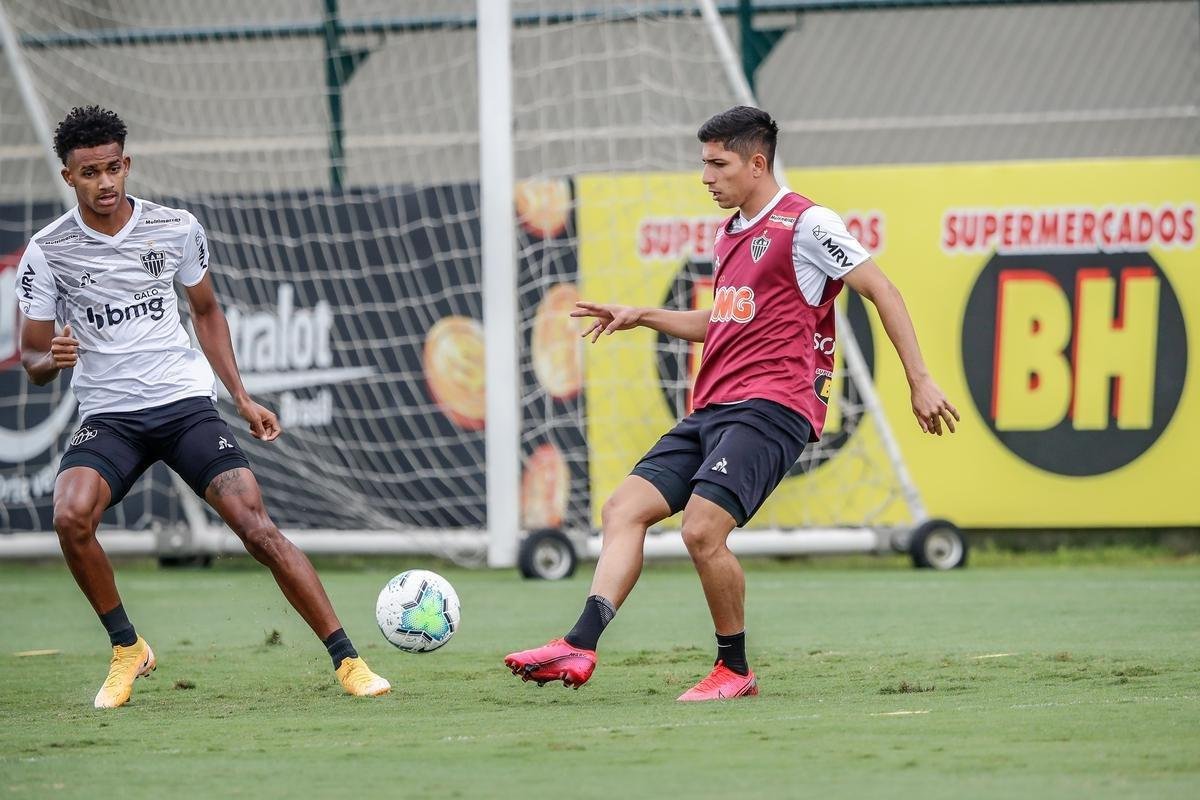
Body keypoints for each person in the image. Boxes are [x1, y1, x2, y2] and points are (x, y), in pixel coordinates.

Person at [504, 106, 959, 702]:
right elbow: (718, 321)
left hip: (774, 407)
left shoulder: (808, 223)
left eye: (718, 164)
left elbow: (883, 290)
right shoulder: (730, 235)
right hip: (713, 409)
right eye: (704, 164)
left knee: (701, 531)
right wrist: (640, 315)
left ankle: (734, 669)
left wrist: (919, 379)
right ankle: (579, 643)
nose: (706, 177)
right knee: (623, 510)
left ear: (757, 162)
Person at [15, 106, 390, 708]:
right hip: (110, 418)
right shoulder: (48, 250)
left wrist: (240, 398)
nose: (105, 183)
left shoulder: (176, 228)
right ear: (68, 177)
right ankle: (127, 648)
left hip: (184, 404)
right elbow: (31, 357)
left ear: (127, 164)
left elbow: (207, 312)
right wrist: (51, 359)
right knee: (69, 515)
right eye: (90, 173)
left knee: (256, 527)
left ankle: (349, 661)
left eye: (113, 168)